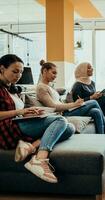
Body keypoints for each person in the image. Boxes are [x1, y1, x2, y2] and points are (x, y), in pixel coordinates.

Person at [0, 54, 75, 183]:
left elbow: (18, 112)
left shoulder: (13, 89)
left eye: (21, 72)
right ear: (2, 69)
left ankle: (30, 147)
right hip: (8, 127)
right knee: (60, 120)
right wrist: (21, 111)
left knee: (69, 128)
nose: (18, 75)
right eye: (15, 71)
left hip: (19, 122)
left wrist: (29, 113)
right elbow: (12, 113)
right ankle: (39, 159)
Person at [36, 60, 105, 135]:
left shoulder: (49, 86)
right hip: (62, 114)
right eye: (53, 73)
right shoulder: (41, 88)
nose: (55, 76)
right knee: (93, 102)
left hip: (67, 111)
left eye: (56, 74)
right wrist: (75, 104)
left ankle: (101, 136)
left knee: (95, 111)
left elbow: (58, 99)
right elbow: (53, 107)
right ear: (45, 71)